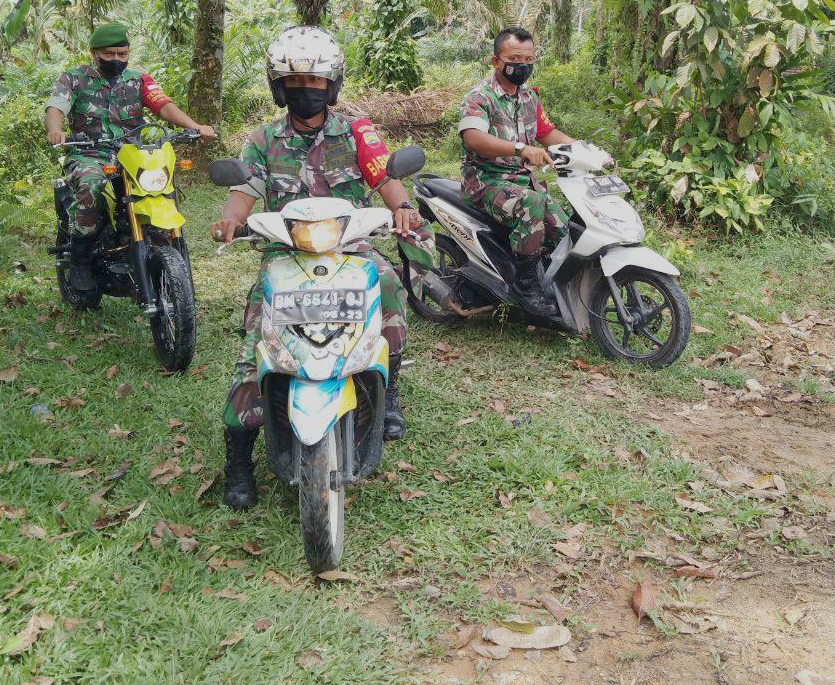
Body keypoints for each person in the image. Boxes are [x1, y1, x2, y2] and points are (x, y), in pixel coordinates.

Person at [210, 25, 453, 510]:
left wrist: (403, 209)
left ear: (333, 85)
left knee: (386, 284)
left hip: (350, 248)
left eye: (316, 84)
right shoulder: (262, 139)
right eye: (295, 85)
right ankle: (239, 455)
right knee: (258, 333)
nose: (306, 93)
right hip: (286, 253)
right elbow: (244, 193)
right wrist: (230, 222)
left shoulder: (357, 131)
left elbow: (386, 177)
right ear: (279, 87)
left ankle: (390, 387)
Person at [45, 22, 215, 290]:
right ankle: (81, 259)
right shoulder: (74, 78)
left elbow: (164, 106)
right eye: (109, 54)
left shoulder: (139, 80)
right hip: (90, 152)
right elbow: (57, 107)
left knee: (161, 187)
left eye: (122, 54)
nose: (116, 60)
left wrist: (193, 126)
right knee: (91, 187)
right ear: (95, 53)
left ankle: (161, 258)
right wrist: (56, 130)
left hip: (131, 154)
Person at [458, 26, 578, 316]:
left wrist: (586, 149)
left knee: (565, 231)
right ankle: (526, 286)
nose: (522, 65)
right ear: (495, 61)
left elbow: (547, 133)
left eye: (528, 59)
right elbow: (474, 138)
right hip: (485, 181)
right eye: (515, 58)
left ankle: (547, 279)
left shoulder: (529, 98)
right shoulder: (480, 97)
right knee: (532, 203)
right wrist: (519, 148)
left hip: (521, 181)